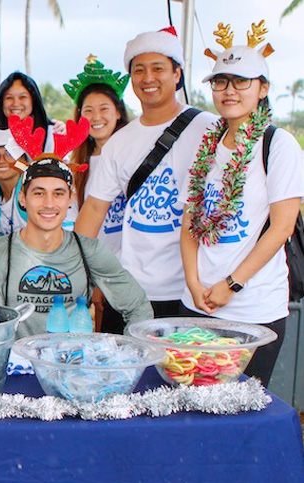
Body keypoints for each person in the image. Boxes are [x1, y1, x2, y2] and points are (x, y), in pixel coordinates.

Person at [179, 23, 303, 386]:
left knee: (241, 410)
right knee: (192, 403)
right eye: (221, 81)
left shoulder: (278, 145)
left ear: (263, 88)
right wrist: (193, 282)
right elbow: (189, 222)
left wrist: (230, 285)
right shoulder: (206, 147)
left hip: (254, 309)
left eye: (241, 81)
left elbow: (282, 227)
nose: (229, 90)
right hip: (198, 303)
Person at [74, 27, 218, 321]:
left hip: (192, 292)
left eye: (158, 68)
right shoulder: (120, 142)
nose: (148, 78)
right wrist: (73, 267)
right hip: (130, 289)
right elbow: (94, 208)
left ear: (177, 74)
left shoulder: (211, 129)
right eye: (139, 70)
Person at [0, 117, 152, 338]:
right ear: (22, 198)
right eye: (39, 193)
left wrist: (132, 354)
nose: (49, 203)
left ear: (70, 199)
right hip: (16, 368)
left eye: (58, 193)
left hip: (73, 366)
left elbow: (138, 308)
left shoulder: (90, 252)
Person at [64, 55, 131, 331]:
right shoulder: (75, 163)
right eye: (87, 111)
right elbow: (74, 222)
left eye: (104, 108)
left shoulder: (135, 158)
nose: (96, 117)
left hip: (130, 275)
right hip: (94, 277)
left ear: (118, 112)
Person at [0, 129, 78, 237]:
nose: (1, 160)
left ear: (23, 160)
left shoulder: (44, 189)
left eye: (9, 154)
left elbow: (68, 232)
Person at [0, 71, 59, 151]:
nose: (16, 103)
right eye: (9, 97)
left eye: (22, 97)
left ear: (33, 100)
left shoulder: (52, 133)